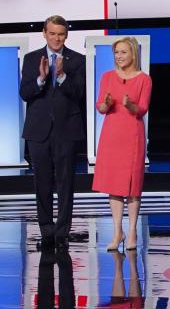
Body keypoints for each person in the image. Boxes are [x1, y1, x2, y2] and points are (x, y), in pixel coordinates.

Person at [19, 15, 85, 253]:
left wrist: (61, 76)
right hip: (39, 132)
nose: (57, 38)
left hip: (67, 130)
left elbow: (79, 93)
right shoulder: (31, 58)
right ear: (44, 34)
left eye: (61, 34)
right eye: (53, 33)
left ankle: (62, 233)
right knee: (42, 184)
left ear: (66, 35)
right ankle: (47, 232)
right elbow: (25, 93)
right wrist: (41, 79)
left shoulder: (77, 60)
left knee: (66, 184)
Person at [91, 36, 151, 252]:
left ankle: (133, 230)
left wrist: (131, 105)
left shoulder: (144, 79)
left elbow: (143, 109)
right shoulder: (107, 77)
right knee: (114, 186)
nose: (119, 56)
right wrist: (105, 104)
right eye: (116, 52)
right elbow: (100, 106)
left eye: (123, 52)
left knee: (133, 187)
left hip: (132, 134)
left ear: (133, 53)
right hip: (111, 134)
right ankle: (118, 231)